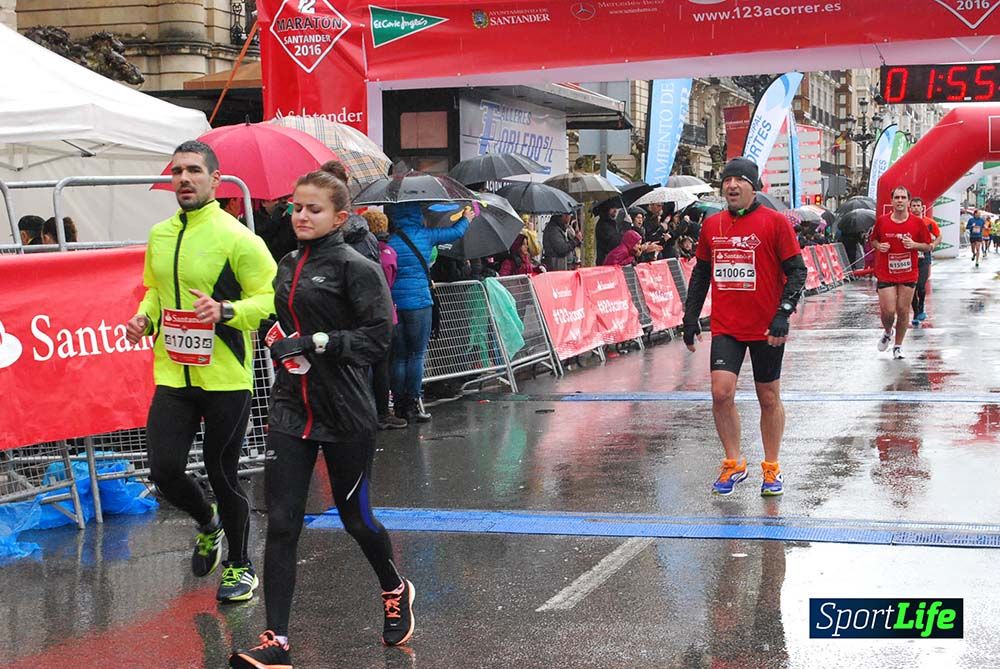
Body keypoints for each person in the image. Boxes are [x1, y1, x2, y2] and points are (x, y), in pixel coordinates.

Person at [229, 170, 413, 669]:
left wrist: (318, 342)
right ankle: (277, 642)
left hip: (346, 411)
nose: (301, 216)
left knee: (356, 519)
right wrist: (275, 335)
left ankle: (395, 587)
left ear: (340, 216)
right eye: (295, 207)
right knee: (283, 522)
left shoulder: (357, 266)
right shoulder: (287, 263)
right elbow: (281, 319)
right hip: (292, 408)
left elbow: (378, 340)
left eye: (313, 209)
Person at [124, 140, 277, 602]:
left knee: (222, 470)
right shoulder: (160, 234)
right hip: (173, 374)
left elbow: (271, 299)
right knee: (164, 468)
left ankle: (239, 565)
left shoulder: (238, 238)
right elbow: (154, 291)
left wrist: (227, 310)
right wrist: (144, 317)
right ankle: (207, 522)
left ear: (216, 179)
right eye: (177, 172)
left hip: (226, 378)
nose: (184, 179)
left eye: (194, 171)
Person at [682, 157, 807, 497]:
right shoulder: (712, 225)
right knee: (721, 393)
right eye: (727, 180)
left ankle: (771, 467)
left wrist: (783, 312)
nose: (732, 185)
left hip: (767, 326)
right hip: (727, 325)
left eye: (739, 180)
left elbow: (797, 271)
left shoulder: (775, 223)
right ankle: (734, 463)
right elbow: (702, 273)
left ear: (755, 187)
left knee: (768, 397)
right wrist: (690, 316)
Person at [387, 201, 469, 423]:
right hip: (419, 303)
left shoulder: (390, 241)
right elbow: (454, 233)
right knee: (417, 354)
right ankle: (413, 403)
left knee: (399, 357)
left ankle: (399, 405)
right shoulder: (425, 236)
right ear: (415, 214)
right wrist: (467, 217)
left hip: (395, 304)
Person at [871, 186, 933, 359]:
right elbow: (873, 240)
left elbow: (928, 245)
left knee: (903, 310)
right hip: (886, 271)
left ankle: (898, 346)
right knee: (888, 311)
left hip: (908, 271)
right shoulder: (882, 221)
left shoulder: (917, 223)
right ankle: (887, 331)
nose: (899, 200)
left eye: (903, 198)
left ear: (908, 201)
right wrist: (879, 246)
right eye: (896, 197)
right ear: (891, 201)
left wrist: (914, 245)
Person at [362, 209, 407, 430]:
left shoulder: (360, 251)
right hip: (385, 314)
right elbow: (388, 282)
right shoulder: (388, 252)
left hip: (365, 313)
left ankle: (369, 409)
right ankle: (382, 411)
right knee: (382, 365)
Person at [908, 197, 941, 325]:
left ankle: (921, 307)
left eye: (918, 206)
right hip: (910, 257)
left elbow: (939, 235)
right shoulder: (906, 221)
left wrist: (933, 245)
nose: (916, 208)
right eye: (914, 206)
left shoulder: (929, 222)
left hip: (924, 257)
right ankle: (916, 313)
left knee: (921, 286)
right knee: (911, 287)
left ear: (922, 208)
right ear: (910, 208)